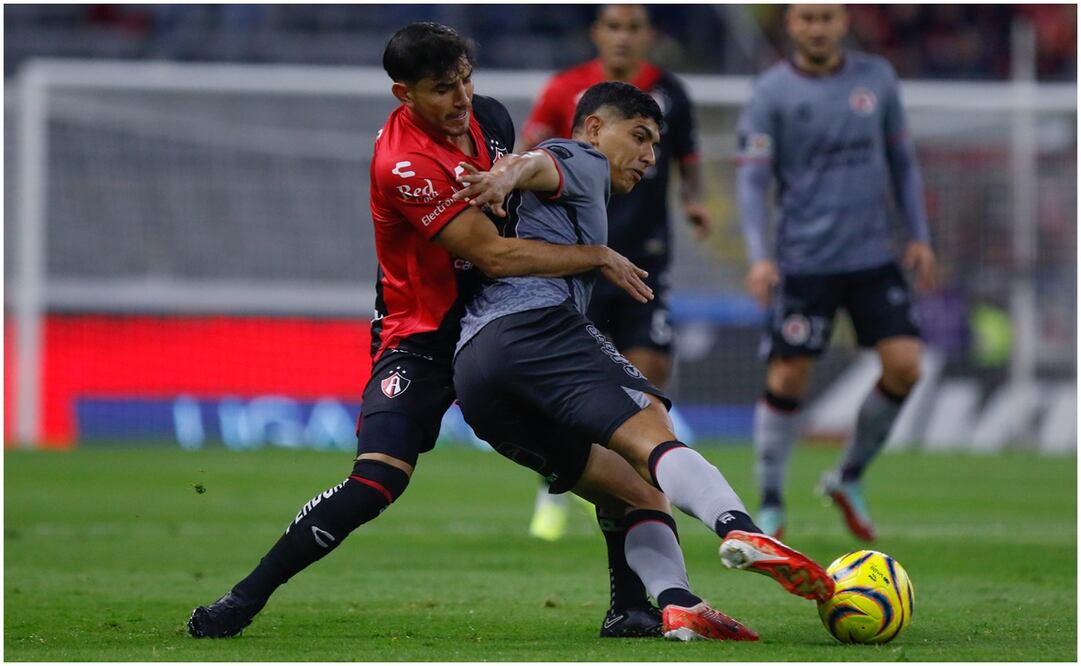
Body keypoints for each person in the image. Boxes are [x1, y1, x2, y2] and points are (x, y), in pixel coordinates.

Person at [188, 22, 662, 640]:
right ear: (403, 93)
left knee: (615, 467)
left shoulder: (489, 118)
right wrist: (597, 255)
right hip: (423, 336)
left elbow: (517, 204)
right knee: (377, 479)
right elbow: (492, 255)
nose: (462, 98)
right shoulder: (404, 164)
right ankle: (242, 600)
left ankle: (631, 609)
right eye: (443, 88)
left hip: (498, 330)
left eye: (466, 79)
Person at [451, 80, 835, 641]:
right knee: (652, 433)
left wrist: (504, 178)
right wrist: (504, 175)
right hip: (536, 328)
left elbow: (528, 171)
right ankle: (740, 528)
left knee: (633, 489)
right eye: (639, 137)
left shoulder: (560, 192)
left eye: (656, 144)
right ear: (593, 128)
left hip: (476, 375)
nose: (650, 157)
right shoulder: (578, 156)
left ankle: (668, 605)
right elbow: (539, 161)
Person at [735, 4, 936, 541]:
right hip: (806, 260)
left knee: (905, 366)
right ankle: (772, 501)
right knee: (788, 376)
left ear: (843, 21)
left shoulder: (877, 78)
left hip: (875, 255)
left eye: (826, 16)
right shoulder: (772, 92)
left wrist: (919, 236)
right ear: (791, 25)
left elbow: (903, 162)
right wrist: (760, 255)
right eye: (806, 18)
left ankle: (847, 477)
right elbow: (753, 182)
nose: (817, 27)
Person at [519, 4, 710, 545]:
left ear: (648, 35)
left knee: (645, 377)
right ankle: (554, 482)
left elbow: (689, 164)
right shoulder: (566, 91)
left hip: (646, 258)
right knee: (567, 387)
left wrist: (695, 204)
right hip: (578, 260)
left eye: (634, 28)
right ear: (596, 33)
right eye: (614, 27)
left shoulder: (670, 91)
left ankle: (634, 487)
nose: (623, 37)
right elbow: (531, 151)